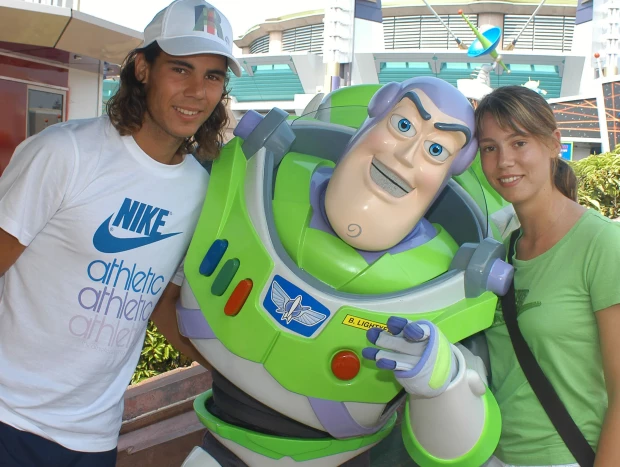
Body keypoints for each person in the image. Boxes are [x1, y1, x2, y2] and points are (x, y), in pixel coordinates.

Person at [0, 0, 241, 465]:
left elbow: (162, 304)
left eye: (213, 76)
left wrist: (239, 377)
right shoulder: (65, 153)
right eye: (181, 69)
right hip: (9, 415)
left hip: (92, 437)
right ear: (142, 68)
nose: (196, 91)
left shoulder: (198, 190)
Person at [366, 85, 620, 466]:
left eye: (519, 143)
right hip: (490, 452)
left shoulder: (600, 243)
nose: (504, 162)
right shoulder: (502, 247)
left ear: (554, 143)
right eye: (490, 148)